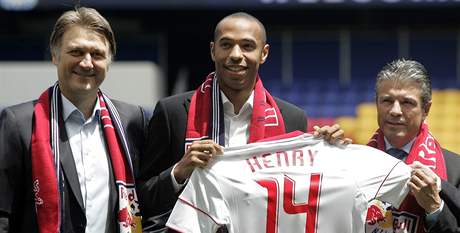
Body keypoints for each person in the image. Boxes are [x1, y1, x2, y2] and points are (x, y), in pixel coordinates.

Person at [137, 12, 349, 232]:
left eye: (247, 46)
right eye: (226, 45)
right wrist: (179, 171)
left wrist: (329, 151)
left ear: (264, 53)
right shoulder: (173, 112)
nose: (236, 55)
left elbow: (304, 196)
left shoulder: (291, 118)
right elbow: (142, 198)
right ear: (213, 50)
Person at [0, 7, 145, 233]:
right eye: (76, 52)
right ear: (55, 56)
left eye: (97, 54)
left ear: (109, 61)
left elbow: (147, 197)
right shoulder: (18, 123)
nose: (87, 63)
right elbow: (3, 214)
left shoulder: (132, 120)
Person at [366, 58, 460, 233]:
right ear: (376, 104)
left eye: (407, 102)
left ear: (426, 110)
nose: (395, 111)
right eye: (387, 100)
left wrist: (434, 208)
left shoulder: (456, 170)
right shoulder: (353, 162)